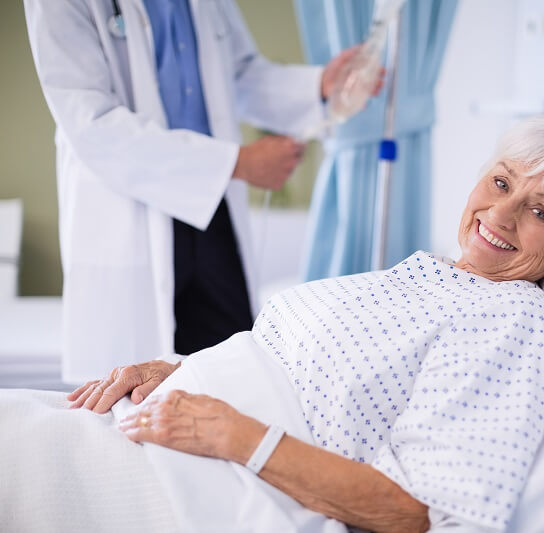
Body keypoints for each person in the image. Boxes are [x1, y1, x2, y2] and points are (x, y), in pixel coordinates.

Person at [0, 113, 544, 532]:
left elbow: (426, 513)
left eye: (541, 212)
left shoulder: (513, 321)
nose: (502, 211)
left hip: (198, 491)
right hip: (160, 430)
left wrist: (234, 434)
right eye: (500, 182)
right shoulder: (430, 273)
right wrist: (176, 369)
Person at [23, 0, 377, 383]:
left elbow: (239, 73)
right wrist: (236, 163)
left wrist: (317, 85)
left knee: (235, 376)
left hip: (212, 209)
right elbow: (91, 121)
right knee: (133, 400)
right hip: (130, 207)